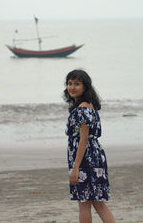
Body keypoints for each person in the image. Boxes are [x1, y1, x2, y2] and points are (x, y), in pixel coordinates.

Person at [63, 69, 115, 223]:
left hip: (85, 160)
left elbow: (83, 140)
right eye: (69, 83)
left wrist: (76, 167)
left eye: (76, 84)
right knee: (98, 203)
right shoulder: (89, 106)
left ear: (85, 87)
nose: (72, 87)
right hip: (95, 156)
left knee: (85, 203)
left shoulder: (81, 110)